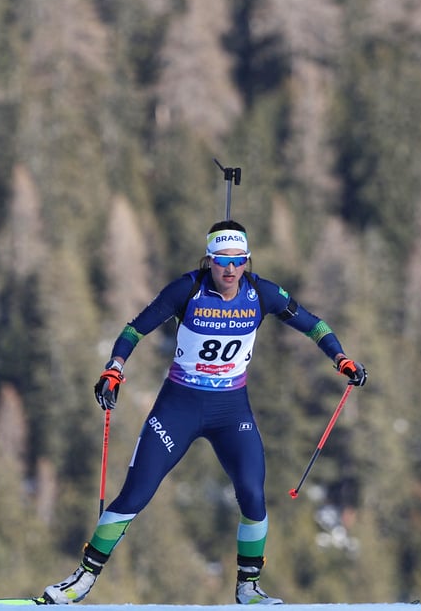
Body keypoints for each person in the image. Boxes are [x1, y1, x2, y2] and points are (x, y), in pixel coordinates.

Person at [42, 221, 367, 605]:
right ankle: (82, 579)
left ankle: (248, 588)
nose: (229, 270)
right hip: (179, 406)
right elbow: (134, 330)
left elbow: (314, 324)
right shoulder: (188, 289)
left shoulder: (262, 293)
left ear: (246, 261)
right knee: (135, 494)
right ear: (208, 260)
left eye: (238, 261)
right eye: (220, 261)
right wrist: (114, 369)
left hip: (231, 410)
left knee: (252, 494)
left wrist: (340, 357)